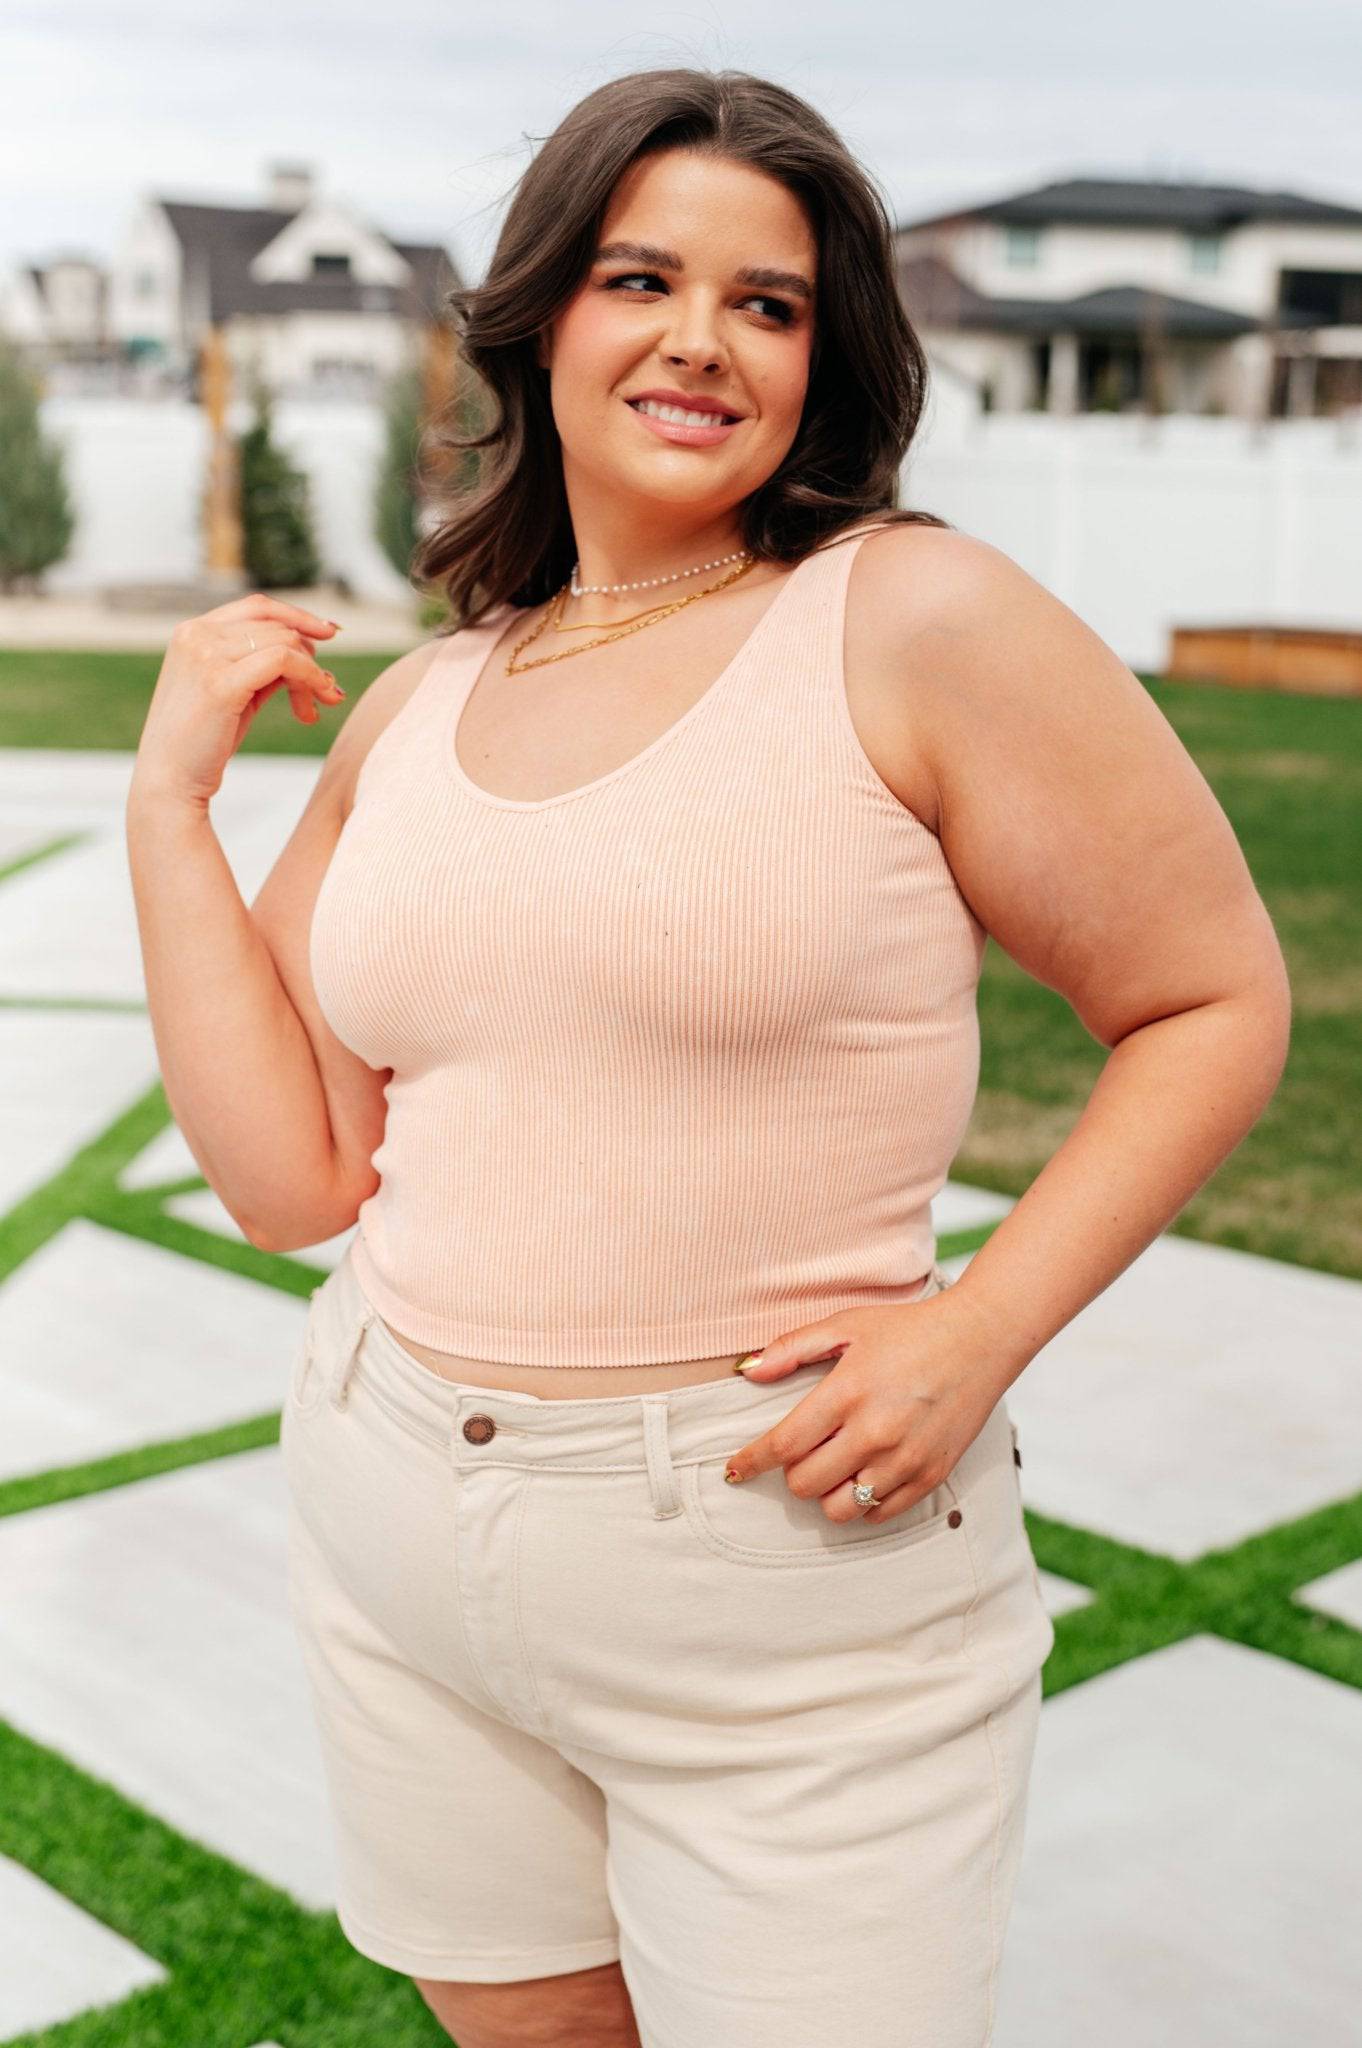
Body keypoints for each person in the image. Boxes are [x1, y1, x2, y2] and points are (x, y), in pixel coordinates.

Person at [125, 65, 1291, 2048]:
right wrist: (172, 806)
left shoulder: (910, 618)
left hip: (787, 1585)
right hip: (396, 1521)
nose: (699, 339)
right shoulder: (424, 698)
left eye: (767, 303)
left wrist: (980, 1325)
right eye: (640, 279)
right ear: (539, 317)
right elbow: (287, 1174)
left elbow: (1212, 1001)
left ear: (825, 360)